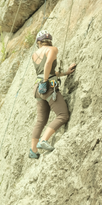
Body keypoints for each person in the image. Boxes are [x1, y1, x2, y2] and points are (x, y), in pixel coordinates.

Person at [29, 30, 76, 159]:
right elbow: (48, 64)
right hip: (48, 86)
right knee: (63, 115)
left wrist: (65, 73)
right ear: (49, 41)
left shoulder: (34, 54)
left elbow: (48, 70)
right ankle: (43, 140)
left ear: (39, 42)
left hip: (38, 88)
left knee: (40, 121)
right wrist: (45, 81)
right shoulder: (52, 49)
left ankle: (33, 150)